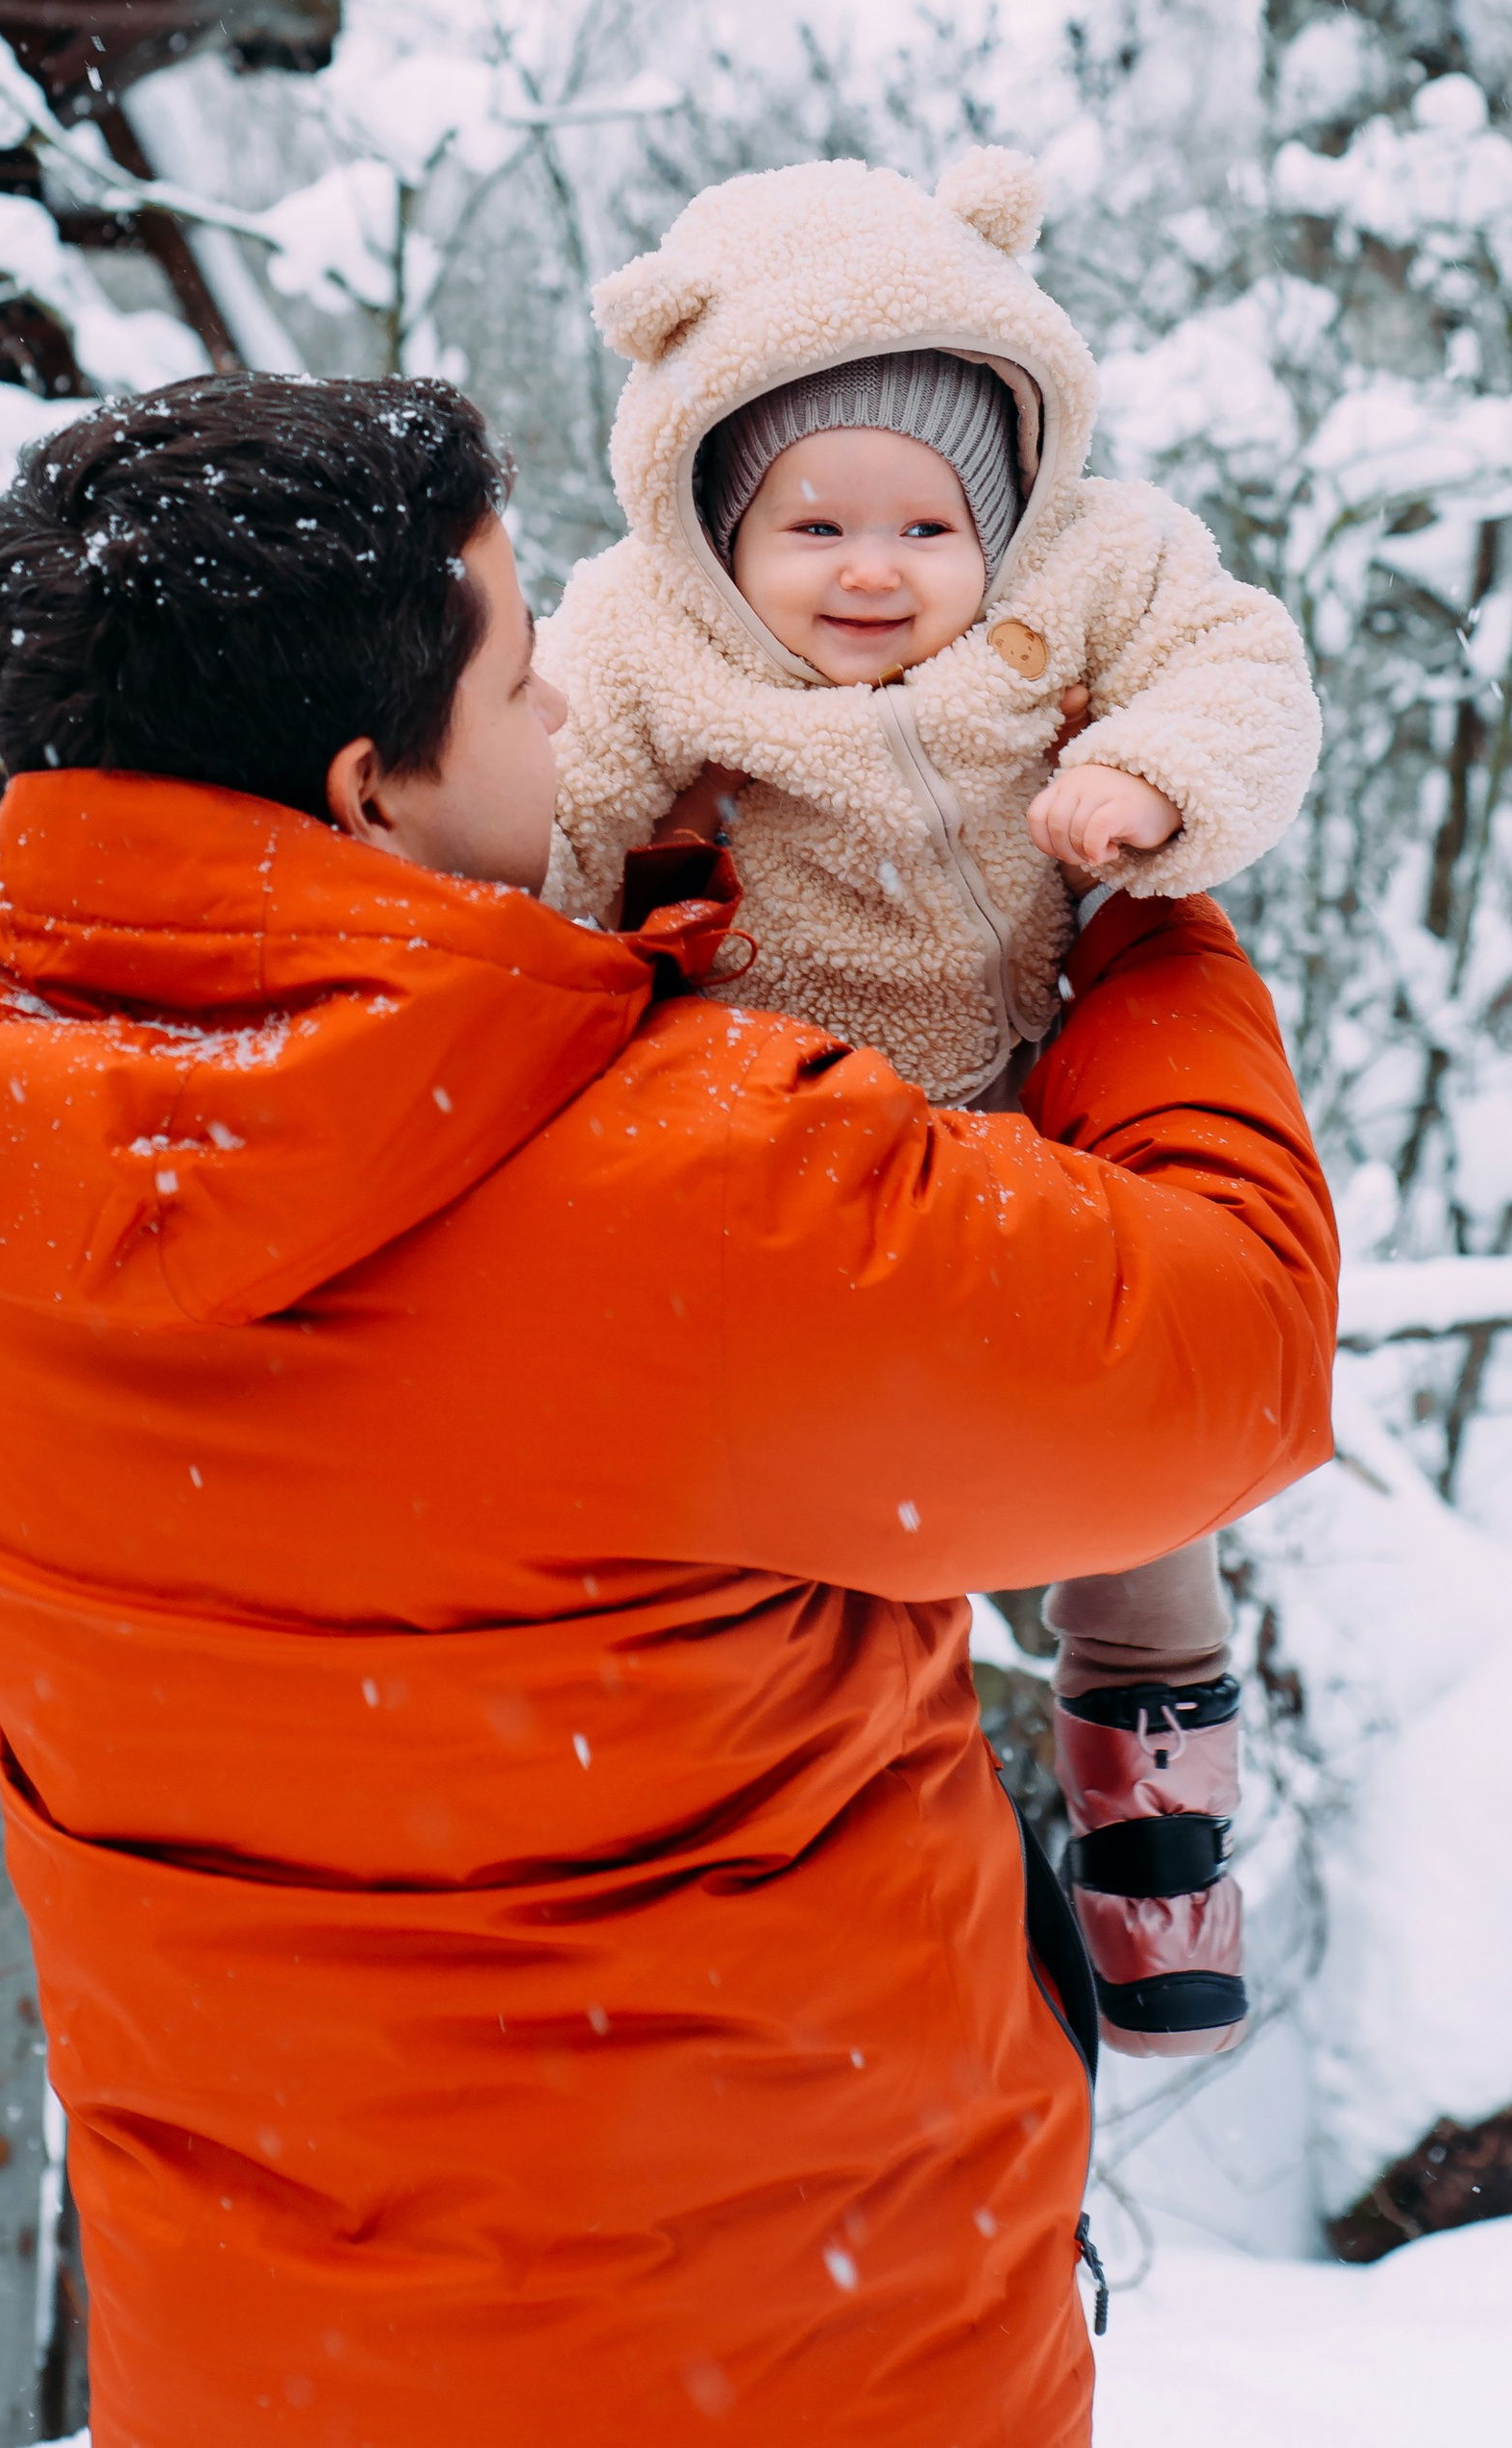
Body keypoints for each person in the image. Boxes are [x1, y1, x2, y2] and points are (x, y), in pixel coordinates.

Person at [0, 371, 1335, 2448]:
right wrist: (1143, 939)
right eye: (524, 671)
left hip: (269, 2363)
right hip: (783, 2361)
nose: (565, 717)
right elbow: (1235, 1353)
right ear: (374, 787)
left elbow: (427, 1380)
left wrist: (623, 953)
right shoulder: (691, 1191)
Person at [540, 147, 1319, 2054]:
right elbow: (546, 815)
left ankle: (1155, 1853)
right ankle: (817, 1868)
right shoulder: (636, 633)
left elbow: (1243, 667)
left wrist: (1143, 777)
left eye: (926, 525)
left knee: (1136, 1480)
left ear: (1010, 506)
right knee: (814, 1527)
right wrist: (552, 938)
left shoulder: (1093, 564)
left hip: (1023, 1091)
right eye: (810, 530)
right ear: (704, 517)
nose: (874, 572)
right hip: (784, 1127)